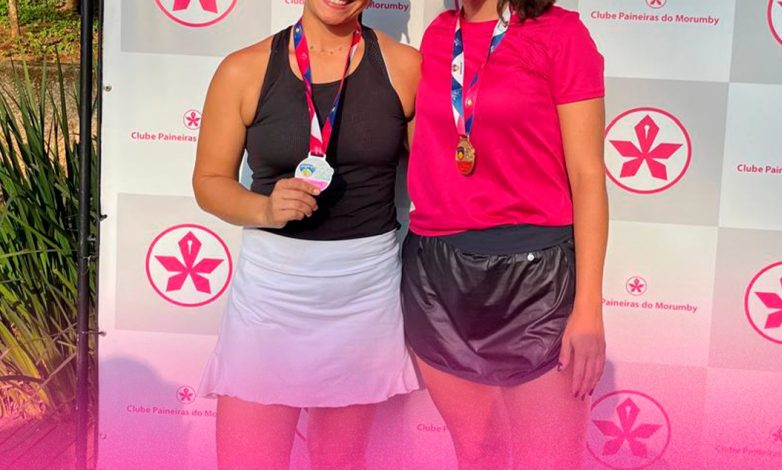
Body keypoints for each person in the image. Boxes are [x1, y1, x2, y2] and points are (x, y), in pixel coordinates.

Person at [192, 1, 421, 468]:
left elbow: (434, 178)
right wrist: (264, 208)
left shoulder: (406, 68)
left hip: (363, 293)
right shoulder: (244, 69)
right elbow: (209, 181)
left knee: (340, 461)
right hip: (272, 293)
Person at [401, 0, 608, 468]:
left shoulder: (560, 34)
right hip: (437, 277)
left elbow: (588, 175)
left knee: (551, 460)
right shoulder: (439, 34)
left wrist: (589, 310)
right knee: (478, 456)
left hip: (535, 281)